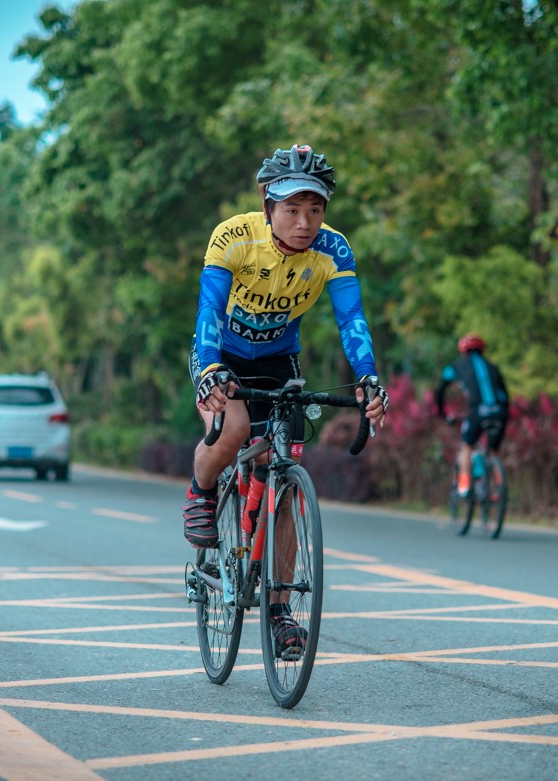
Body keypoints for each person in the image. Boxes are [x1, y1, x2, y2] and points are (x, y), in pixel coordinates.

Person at [185, 143, 389, 655]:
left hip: (280, 361)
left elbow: (352, 320)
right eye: (292, 209)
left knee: (287, 485)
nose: (305, 222)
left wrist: (367, 378)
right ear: (266, 204)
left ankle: (279, 612)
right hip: (222, 354)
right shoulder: (233, 237)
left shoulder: (334, 250)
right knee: (232, 432)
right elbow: (209, 309)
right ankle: (201, 489)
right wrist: (210, 370)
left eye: (315, 210)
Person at [435, 334, 510, 497]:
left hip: (478, 412)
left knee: (467, 445)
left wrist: (441, 412)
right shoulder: (493, 367)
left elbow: (441, 390)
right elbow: (505, 395)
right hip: (500, 413)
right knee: (493, 451)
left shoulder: (457, 366)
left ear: (463, 351)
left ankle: (464, 485)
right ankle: (498, 487)